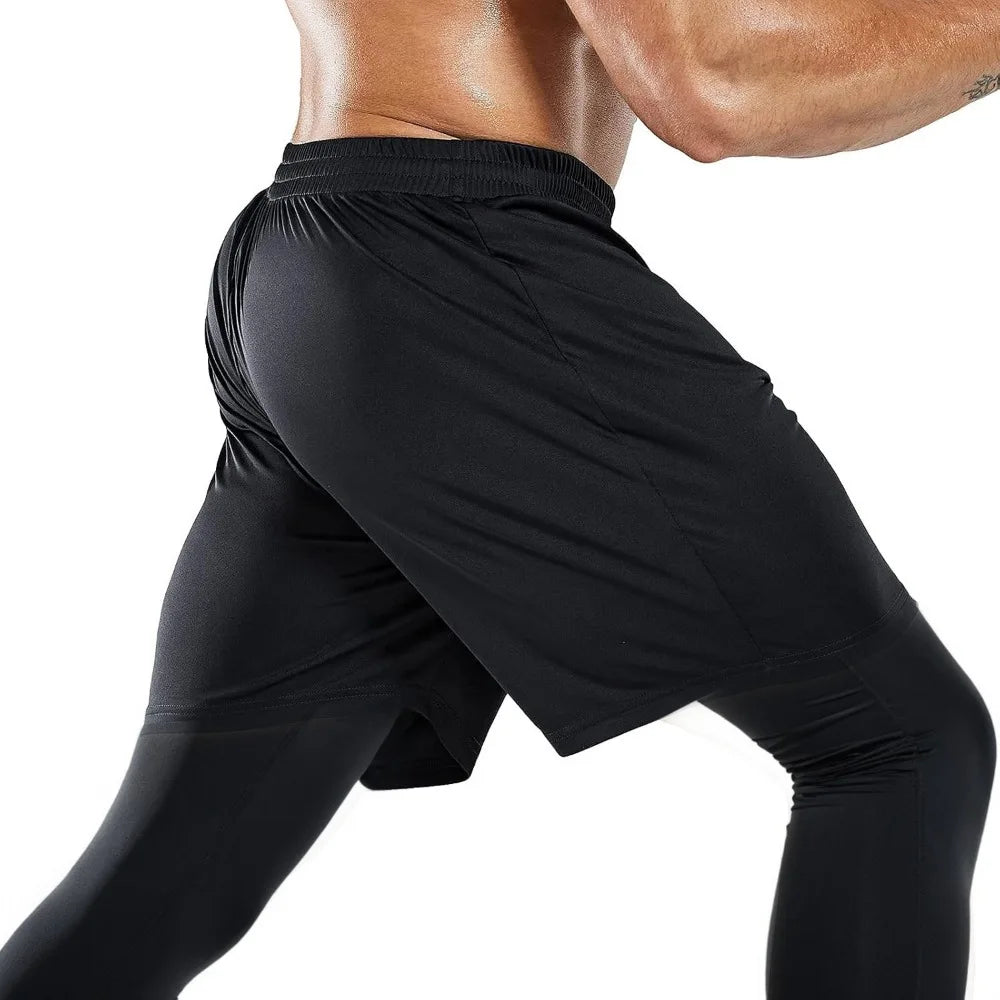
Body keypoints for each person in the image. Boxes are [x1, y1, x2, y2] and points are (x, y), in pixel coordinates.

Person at [1, 0, 996, 997]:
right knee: (900, 743)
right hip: (445, 254)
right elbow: (706, 89)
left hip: (324, 264)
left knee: (173, 876)